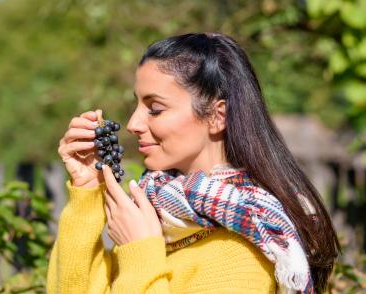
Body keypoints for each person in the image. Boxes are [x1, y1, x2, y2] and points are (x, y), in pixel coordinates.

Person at [47, 33, 340, 294]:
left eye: (155, 109)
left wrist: (139, 251)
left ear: (217, 116)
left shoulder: (243, 250)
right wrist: (86, 192)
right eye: (137, 105)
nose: (133, 123)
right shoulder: (160, 218)